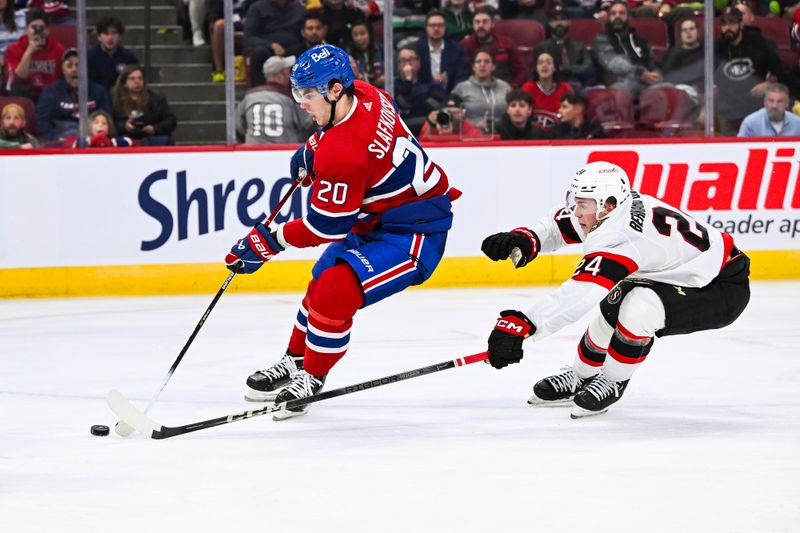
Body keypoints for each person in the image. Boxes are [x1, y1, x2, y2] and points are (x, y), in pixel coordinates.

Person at [226, 43, 458, 420]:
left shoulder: (344, 154)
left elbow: (326, 225)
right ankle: (295, 358)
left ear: (336, 90)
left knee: (336, 290)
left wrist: (268, 241)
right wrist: (311, 149)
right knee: (320, 279)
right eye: (297, 92)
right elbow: (341, 134)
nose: (300, 103)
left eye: (308, 94)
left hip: (415, 233)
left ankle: (311, 377)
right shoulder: (366, 92)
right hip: (378, 219)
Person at [481, 161, 750, 418]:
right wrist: (528, 239)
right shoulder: (612, 208)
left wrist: (524, 325)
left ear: (608, 206)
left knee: (639, 308)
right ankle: (581, 375)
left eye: (582, 205)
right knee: (613, 306)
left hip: (720, 288)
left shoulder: (623, 237)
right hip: (681, 274)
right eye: (575, 201)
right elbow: (562, 225)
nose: (576, 211)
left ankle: (612, 381)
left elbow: (579, 294)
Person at [715, 6, 784, 134]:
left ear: (741, 24)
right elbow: (708, 76)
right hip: (727, 103)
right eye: (723, 24)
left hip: (755, 100)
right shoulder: (717, 47)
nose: (727, 28)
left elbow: (777, 71)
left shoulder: (760, 43)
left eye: (732, 22)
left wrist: (768, 84)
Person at [36, 48, 111, 142]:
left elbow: (107, 118)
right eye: (69, 65)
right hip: (61, 140)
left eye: (78, 65)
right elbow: (43, 122)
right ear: (63, 70)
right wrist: (55, 138)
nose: (74, 69)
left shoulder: (98, 91)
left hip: (92, 139)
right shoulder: (51, 92)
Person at [592, 0, 661, 99]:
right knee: (621, 90)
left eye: (622, 13)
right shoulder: (602, 39)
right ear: (608, 17)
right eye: (613, 13)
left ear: (629, 17)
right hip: (620, 82)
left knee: (669, 89)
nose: (617, 16)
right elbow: (614, 63)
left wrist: (656, 75)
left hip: (647, 83)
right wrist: (640, 73)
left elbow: (652, 63)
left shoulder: (641, 40)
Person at [236, 55, 313, 144]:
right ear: (280, 75)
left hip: (253, 151)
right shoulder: (290, 98)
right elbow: (307, 123)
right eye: (288, 72)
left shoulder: (249, 96)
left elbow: (239, 126)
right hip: (285, 151)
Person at [3, 7, 64, 101]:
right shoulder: (13, 50)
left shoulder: (58, 49)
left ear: (48, 30)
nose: (37, 31)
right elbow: (16, 81)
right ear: (26, 29)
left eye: (41, 28)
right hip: (26, 94)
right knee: (17, 90)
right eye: (33, 27)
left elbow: (63, 79)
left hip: (50, 95)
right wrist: (29, 52)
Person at [460, 5, 527, 88]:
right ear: (473, 25)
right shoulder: (464, 45)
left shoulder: (506, 43)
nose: (480, 25)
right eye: (477, 22)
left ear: (492, 24)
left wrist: (512, 87)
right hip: (475, 91)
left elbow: (522, 70)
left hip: (504, 91)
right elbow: (460, 74)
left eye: (485, 22)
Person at [111, 64, 177, 145]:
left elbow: (171, 121)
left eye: (140, 78)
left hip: (152, 140)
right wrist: (124, 126)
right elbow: (110, 122)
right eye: (132, 78)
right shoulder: (115, 99)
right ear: (124, 83)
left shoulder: (157, 98)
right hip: (127, 140)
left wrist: (154, 128)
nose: (137, 81)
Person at [245, 0, 306, 86]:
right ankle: (260, 90)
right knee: (259, 53)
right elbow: (249, 37)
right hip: (268, 50)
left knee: (308, 52)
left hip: (294, 50)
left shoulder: (299, 9)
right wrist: (270, 45)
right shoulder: (257, 8)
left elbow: (306, 31)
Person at [534, 3, 595, 90]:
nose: (559, 23)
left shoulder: (579, 45)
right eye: (555, 20)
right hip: (554, 88)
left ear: (569, 22)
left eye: (563, 19)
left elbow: (589, 69)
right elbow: (543, 72)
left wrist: (565, 68)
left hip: (580, 86)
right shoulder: (542, 47)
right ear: (549, 23)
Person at [452, 50, 512, 133]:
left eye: (487, 61)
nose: (482, 64)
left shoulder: (505, 87)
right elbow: (453, 117)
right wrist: (473, 126)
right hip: (471, 136)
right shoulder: (461, 88)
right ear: (473, 67)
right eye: (478, 61)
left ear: (493, 67)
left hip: (502, 135)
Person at [413, 9, 468, 94]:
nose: (436, 28)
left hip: (450, 95)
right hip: (423, 96)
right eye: (432, 25)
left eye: (440, 25)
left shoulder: (456, 49)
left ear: (445, 27)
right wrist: (434, 84)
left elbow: (461, 77)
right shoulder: (416, 49)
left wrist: (454, 96)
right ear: (426, 28)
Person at [394, 45, 445, 135]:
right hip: (403, 133)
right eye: (403, 60)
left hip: (429, 130)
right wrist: (408, 80)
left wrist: (411, 104)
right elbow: (402, 104)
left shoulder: (430, 83)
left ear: (418, 62)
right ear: (398, 65)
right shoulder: (393, 85)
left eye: (411, 59)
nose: (408, 63)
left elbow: (438, 106)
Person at [87, 16, 139, 92]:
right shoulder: (89, 57)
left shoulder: (129, 58)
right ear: (99, 37)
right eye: (106, 33)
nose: (110, 38)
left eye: (114, 33)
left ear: (120, 36)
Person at [521, 50, 572, 128]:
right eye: (540, 63)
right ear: (536, 68)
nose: (544, 65)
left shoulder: (565, 88)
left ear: (554, 68)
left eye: (548, 62)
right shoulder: (528, 87)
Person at [662, 17, 703, 95]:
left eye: (691, 29)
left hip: (701, 89)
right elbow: (668, 75)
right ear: (680, 34)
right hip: (678, 88)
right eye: (684, 30)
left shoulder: (706, 51)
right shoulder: (673, 53)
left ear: (698, 32)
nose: (688, 32)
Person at [62, 109, 139, 147]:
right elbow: (68, 144)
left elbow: (131, 142)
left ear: (109, 128)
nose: (100, 125)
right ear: (89, 126)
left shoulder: (114, 142)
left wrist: (111, 143)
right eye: (96, 123)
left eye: (104, 123)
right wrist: (92, 140)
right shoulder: (81, 140)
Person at [345, 20, 383, 88]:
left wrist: (385, 78)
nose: (359, 38)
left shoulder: (382, 50)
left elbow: (395, 74)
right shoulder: (348, 56)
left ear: (370, 34)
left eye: (362, 33)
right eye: (355, 35)